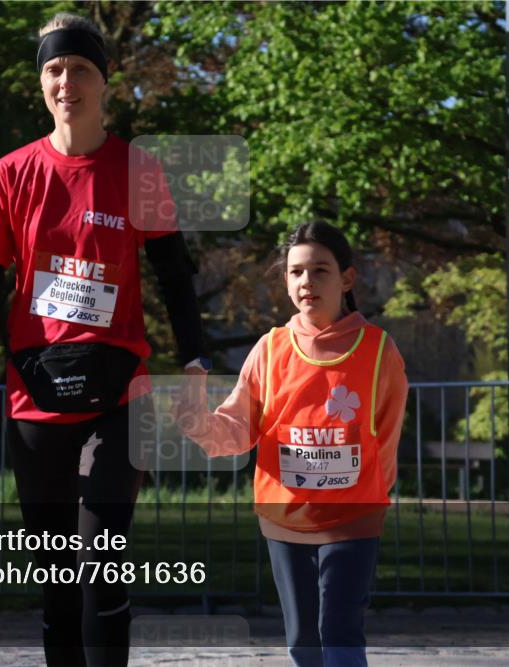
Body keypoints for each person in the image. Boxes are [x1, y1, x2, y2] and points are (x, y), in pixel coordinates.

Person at [0, 12, 206, 667]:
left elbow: (175, 274)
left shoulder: (138, 171)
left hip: (120, 397)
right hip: (36, 397)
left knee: (100, 556)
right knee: (57, 577)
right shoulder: (13, 173)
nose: (66, 81)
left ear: (104, 81)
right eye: (54, 69)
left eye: (80, 69)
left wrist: (194, 359)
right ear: (41, 82)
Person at [174, 221, 408, 667]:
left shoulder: (379, 350)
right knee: (302, 637)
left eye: (320, 270)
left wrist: (368, 496)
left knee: (339, 629)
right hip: (283, 516)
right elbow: (238, 428)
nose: (307, 282)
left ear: (347, 279)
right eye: (296, 272)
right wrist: (198, 422)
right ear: (285, 281)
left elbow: (386, 436)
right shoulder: (269, 349)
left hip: (352, 517)